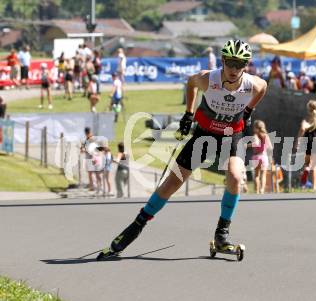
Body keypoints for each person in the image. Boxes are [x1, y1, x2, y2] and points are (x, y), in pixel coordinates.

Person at [97, 39, 267, 260]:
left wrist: (249, 110)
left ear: (247, 64)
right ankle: (135, 226)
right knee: (172, 183)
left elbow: (264, 88)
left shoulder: (253, 84)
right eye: (230, 63)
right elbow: (190, 83)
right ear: (223, 60)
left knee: (235, 177)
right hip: (204, 134)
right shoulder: (209, 78)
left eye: (240, 64)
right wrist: (188, 113)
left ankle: (222, 233)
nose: (234, 69)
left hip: (231, 135)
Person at [294, 100, 316, 191]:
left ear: (308, 109)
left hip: (307, 143)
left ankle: (306, 170)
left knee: (307, 163)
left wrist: (297, 141)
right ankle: (314, 187)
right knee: (315, 167)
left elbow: (302, 129)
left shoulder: (306, 120)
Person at [250, 120, 273, 194]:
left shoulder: (255, 135)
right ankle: (262, 190)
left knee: (256, 175)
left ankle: (256, 191)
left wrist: (247, 145)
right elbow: (270, 147)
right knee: (263, 175)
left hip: (256, 156)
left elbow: (255, 143)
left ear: (256, 128)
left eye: (254, 127)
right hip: (264, 156)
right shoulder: (266, 135)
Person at [81, 127, 96, 191]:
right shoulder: (88, 139)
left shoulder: (90, 139)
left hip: (90, 158)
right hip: (90, 157)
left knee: (91, 173)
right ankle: (92, 185)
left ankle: (92, 186)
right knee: (91, 173)